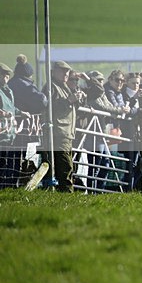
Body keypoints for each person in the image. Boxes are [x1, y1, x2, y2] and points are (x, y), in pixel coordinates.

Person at [41, 60, 84, 191]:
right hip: (58, 132)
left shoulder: (64, 86)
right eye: (63, 71)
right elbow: (49, 108)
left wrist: (78, 100)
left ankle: (63, 194)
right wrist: (68, 101)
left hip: (66, 132)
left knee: (66, 167)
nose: (66, 74)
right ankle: (66, 195)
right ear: (54, 72)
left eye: (67, 71)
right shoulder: (51, 87)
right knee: (65, 167)